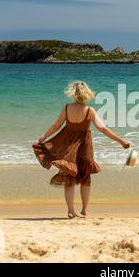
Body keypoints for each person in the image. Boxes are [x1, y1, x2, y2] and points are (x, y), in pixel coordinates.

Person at [32, 81, 130, 218]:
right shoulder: (89, 111)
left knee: (69, 177)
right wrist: (121, 141)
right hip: (84, 146)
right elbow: (103, 128)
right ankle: (84, 209)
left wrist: (44, 137)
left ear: (73, 94)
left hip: (68, 145)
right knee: (85, 177)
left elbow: (56, 126)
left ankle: (70, 211)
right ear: (87, 94)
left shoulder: (67, 108)